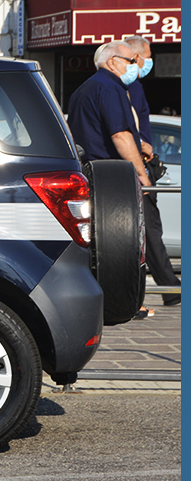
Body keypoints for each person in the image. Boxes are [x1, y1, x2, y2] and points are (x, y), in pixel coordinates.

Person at [68, 41, 156, 320]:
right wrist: (141, 174)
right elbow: (120, 135)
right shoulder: (110, 88)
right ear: (112, 61)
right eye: (131, 60)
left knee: (95, 247)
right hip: (111, 180)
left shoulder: (86, 88)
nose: (135, 65)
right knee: (121, 246)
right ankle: (123, 302)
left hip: (91, 173)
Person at [125, 36, 180, 308]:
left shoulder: (128, 87)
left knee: (144, 231)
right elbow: (126, 130)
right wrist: (141, 152)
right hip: (137, 166)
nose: (150, 62)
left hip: (135, 164)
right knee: (149, 230)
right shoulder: (130, 87)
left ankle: (169, 287)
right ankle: (170, 288)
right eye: (148, 56)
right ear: (135, 58)